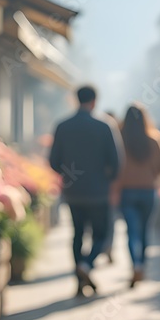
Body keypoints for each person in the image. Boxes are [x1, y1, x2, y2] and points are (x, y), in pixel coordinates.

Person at [49, 85, 122, 296]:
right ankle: (87, 265)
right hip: (98, 191)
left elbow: (54, 161)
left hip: (73, 192)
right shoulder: (104, 126)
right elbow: (116, 162)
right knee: (102, 233)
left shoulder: (63, 126)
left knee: (77, 234)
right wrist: (106, 179)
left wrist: (68, 175)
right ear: (94, 101)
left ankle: (79, 281)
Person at [114, 104, 160, 287]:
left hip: (127, 191)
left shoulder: (119, 140)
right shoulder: (153, 139)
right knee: (145, 231)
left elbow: (115, 167)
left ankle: (134, 264)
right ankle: (142, 265)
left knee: (131, 231)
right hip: (148, 191)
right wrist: (149, 174)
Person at [97, 110, 121, 265]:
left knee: (104, 222)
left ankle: (103, 249)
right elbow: (117, 163)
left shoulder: (100, 134)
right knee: (109, 221)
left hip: (99, 187)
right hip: (108, 187)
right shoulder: (112, 135)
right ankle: (106, 248)